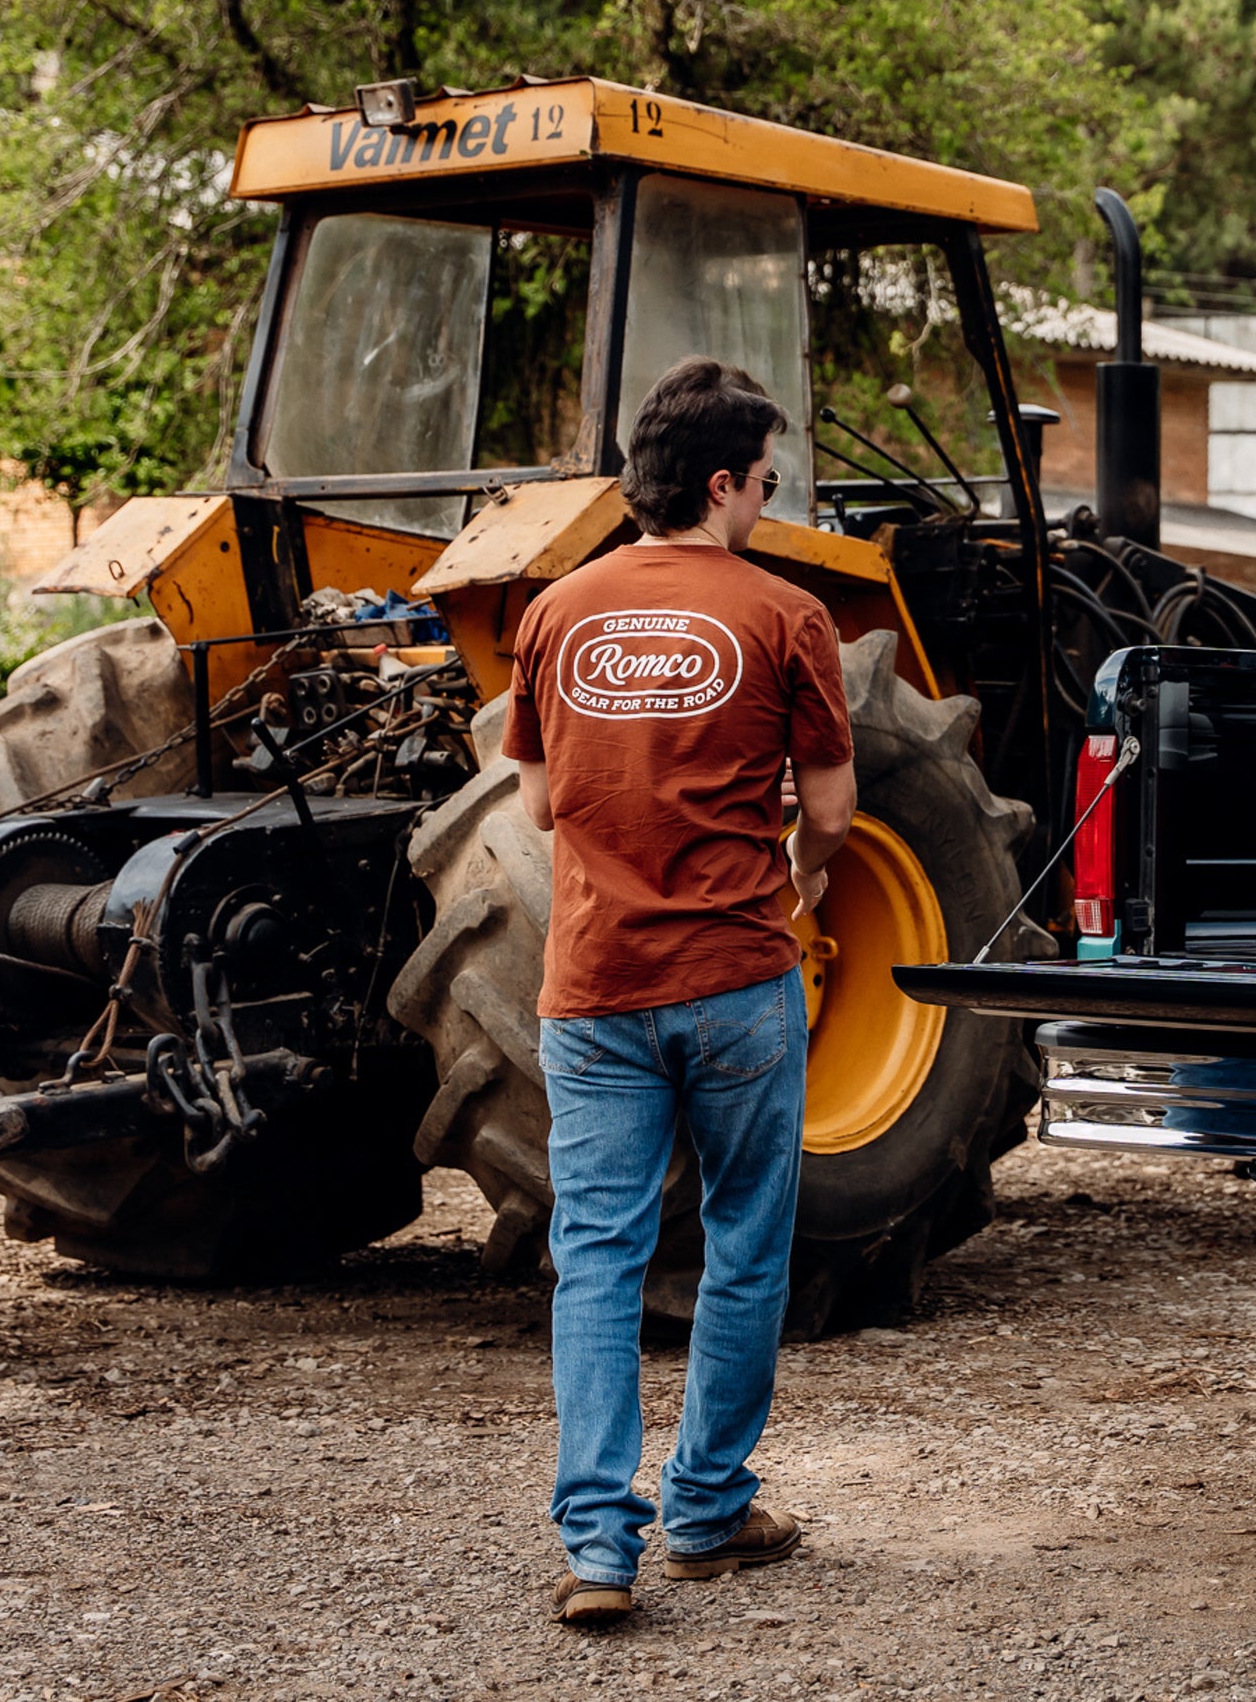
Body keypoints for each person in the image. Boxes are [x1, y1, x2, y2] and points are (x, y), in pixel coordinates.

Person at [502, 355, 857, 1625]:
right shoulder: (784, 614)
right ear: (722, 482)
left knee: (595, 1257)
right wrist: (800, 879)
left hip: (594, 987)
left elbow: (540, 803)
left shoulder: (550, 612)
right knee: (745, 1245)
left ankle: (598, 1549)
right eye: (764, 480)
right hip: (735, 983)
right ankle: (706, 1514)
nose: (766, 501)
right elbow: (831, 810)